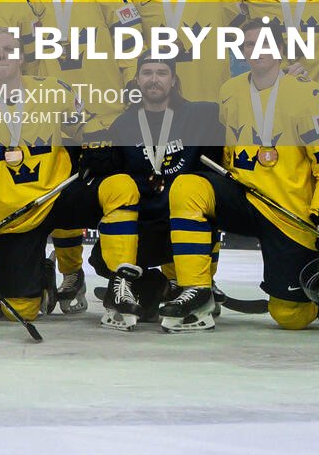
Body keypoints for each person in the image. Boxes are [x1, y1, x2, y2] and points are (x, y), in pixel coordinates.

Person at [160, 14, 319, 332]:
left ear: (282, 47)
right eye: (249, 43)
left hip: (288, 212)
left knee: (290, 316)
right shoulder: (229, 91)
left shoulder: (308, 93)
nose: (255, 49)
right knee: (188, 186)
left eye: (263, 42)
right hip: (244, 196)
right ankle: (196, 291)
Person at [22, 0, 138, 305]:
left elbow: (132, 48)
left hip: (107, 114)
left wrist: (132, 103)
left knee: (116, 194)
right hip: (55, 119)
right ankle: (70, 274)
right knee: (62, 198)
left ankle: (121, 271)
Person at [0, 30, 99, 324]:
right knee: (18, 311)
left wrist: (96, 146)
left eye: (9, 49)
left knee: (119, 190)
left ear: (21, 56)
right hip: (15, 215)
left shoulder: (55, 90)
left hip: (58, 195)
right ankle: (40, 275)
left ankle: (122, 275)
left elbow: (89, 128)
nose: (3, 55)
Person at [92, 56, 224, 328]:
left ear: (174, 80)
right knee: (103, 258)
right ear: (137, 80)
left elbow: (242, 102)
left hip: (183, 222)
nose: (154, 79)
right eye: (147, 73)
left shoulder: (200, 116)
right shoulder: (123, 125)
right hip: (143, 226)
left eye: (162, 73)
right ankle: (149, 285)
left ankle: (193, 285)